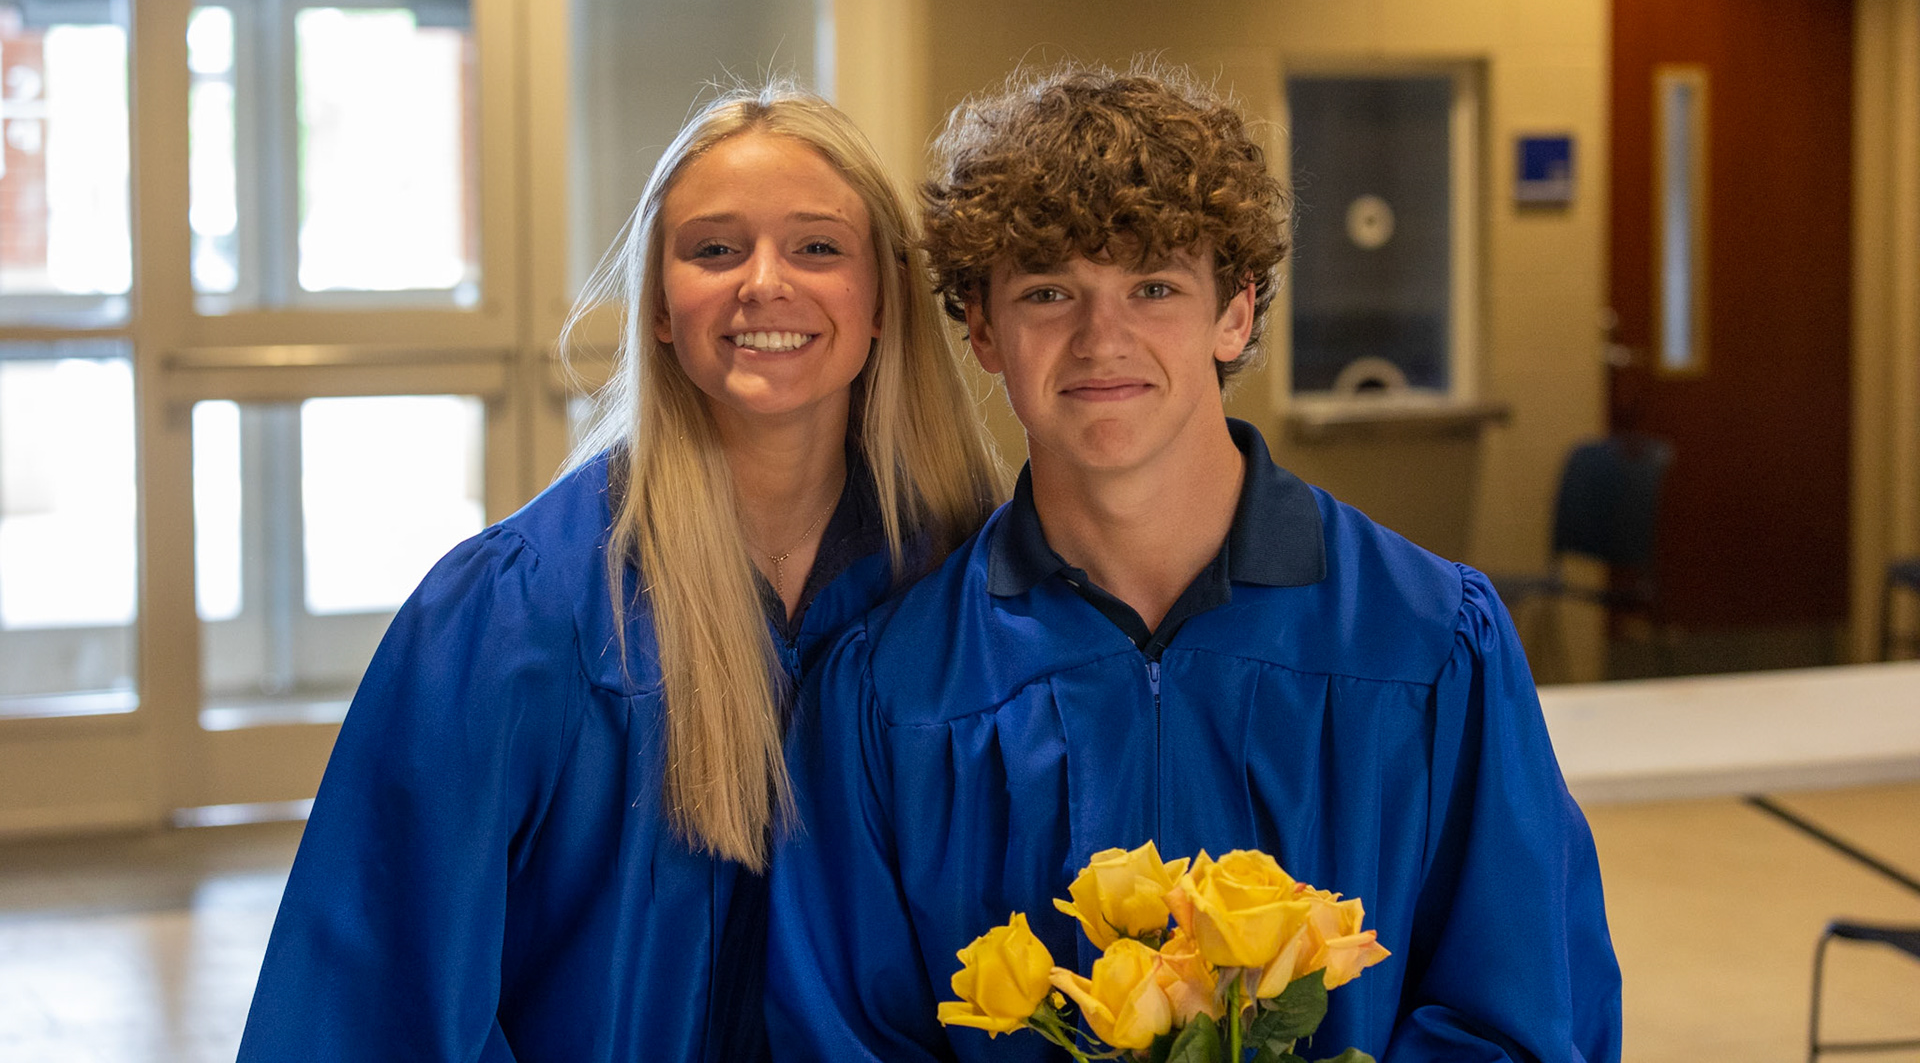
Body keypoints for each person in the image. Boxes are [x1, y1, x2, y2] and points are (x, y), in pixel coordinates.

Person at [766, 64, 1623, 1061]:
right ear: (985, 328)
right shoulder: (894, 689)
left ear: (1237, 311)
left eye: (1154, 285)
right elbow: (844, 1035)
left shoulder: (1429, 640)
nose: (1102, 337)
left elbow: (1522, 1013)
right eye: (1049, 290)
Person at [237, 84, 1003, 1063]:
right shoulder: (516, 616)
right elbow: (377, 1003)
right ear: (660, 309)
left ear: (885, 299)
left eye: (817, 246)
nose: (763, 283)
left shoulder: (958, 595)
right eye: (714, 248)